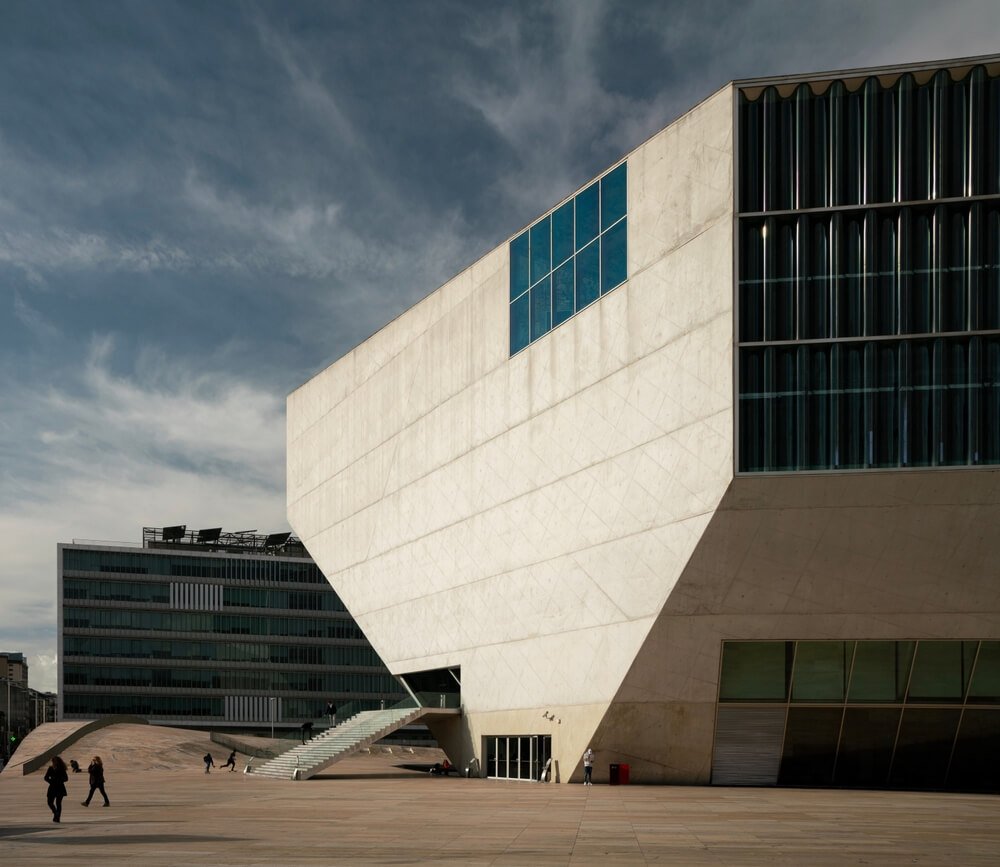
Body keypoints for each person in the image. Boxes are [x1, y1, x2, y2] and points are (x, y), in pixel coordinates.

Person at [44, 755, 69, 822]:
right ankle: (56, 814)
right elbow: (46, 777)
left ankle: (57, 816)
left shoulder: (60, 768)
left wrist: (56, 781)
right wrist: (53, 781)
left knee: (55, 803)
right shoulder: (52, 768)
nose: (53, 762)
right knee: (53, 803)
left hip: (57, 787)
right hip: (56, 787)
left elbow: (66, 778)